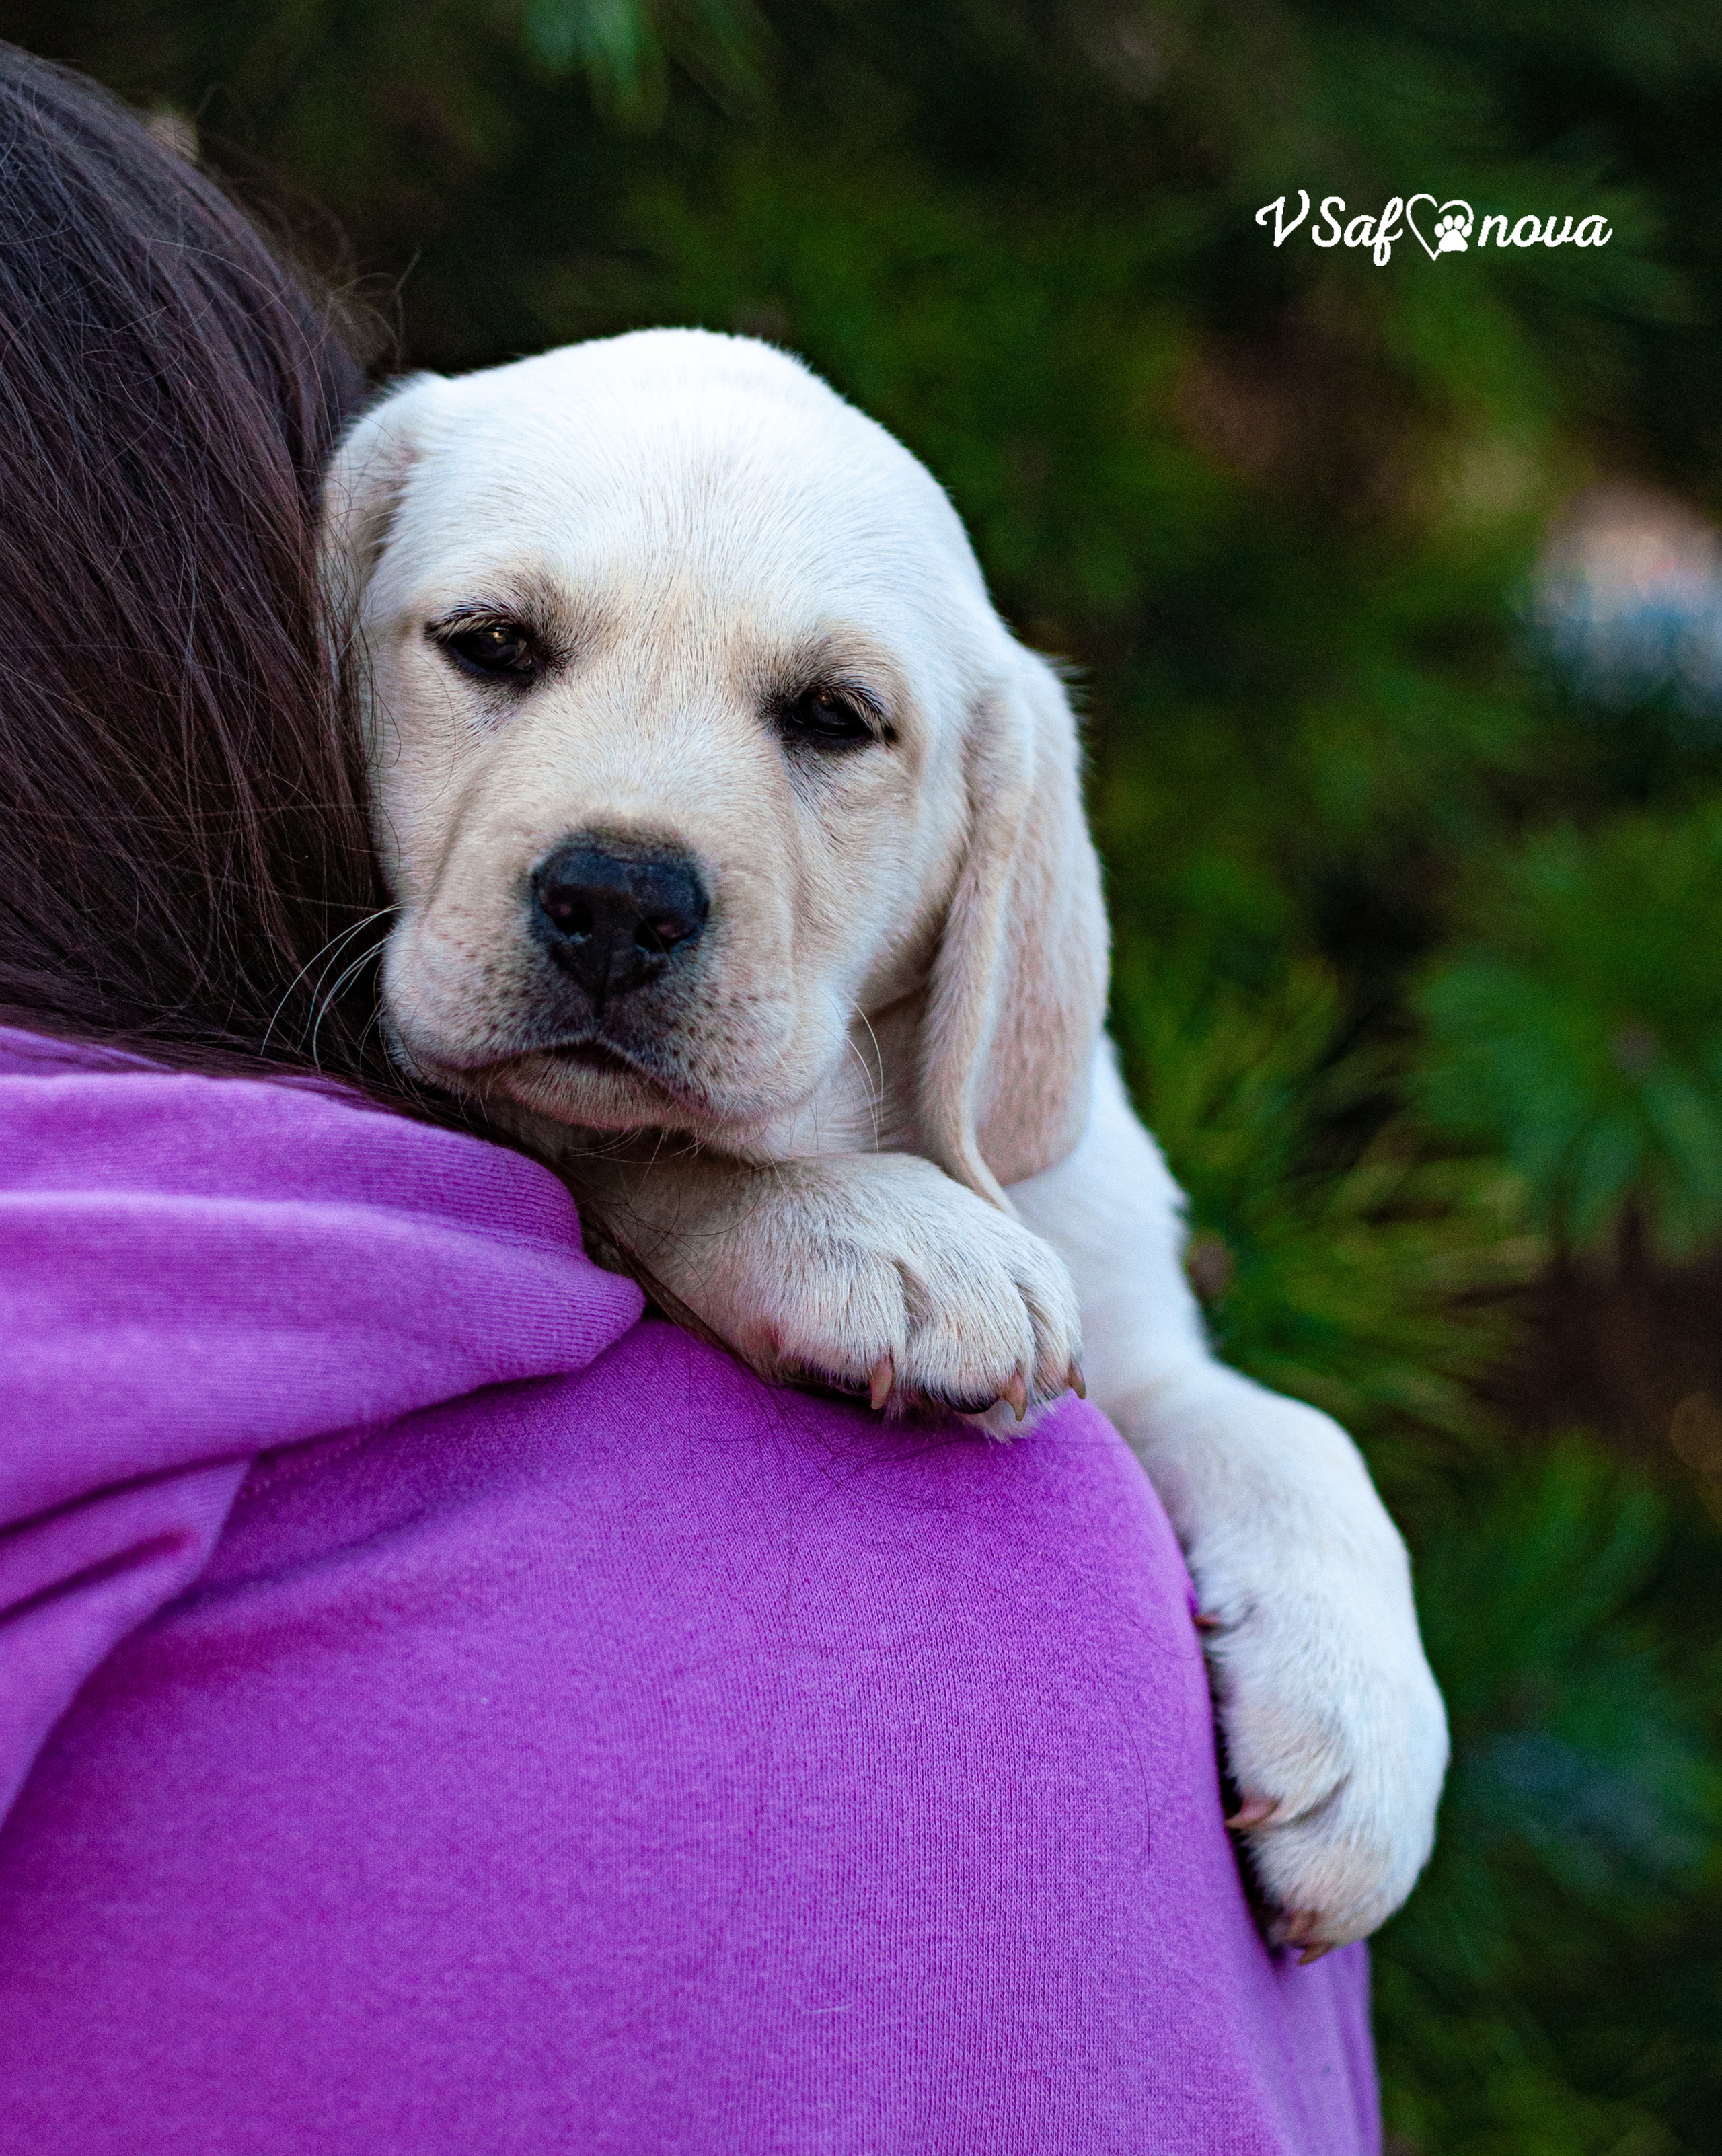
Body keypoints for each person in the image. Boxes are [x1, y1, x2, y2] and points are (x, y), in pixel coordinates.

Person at [0, 46, 1380, 2155]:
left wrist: (1293, 1511)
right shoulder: (278, 1092)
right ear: (328, 631)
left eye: (828, 718)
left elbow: (1146, 1368)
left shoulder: (1005, 1084)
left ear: (981, 839)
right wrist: (703, 1213)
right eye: (496, 651)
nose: (628, 854)